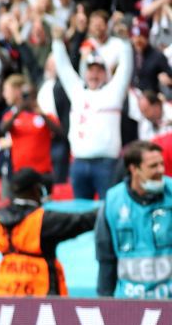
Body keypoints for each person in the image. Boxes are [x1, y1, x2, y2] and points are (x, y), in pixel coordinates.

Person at [52, 23, 134, 201]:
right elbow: (64, 69)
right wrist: (57, 42)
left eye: (99, 70)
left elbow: (125, 69)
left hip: (106, 164)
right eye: (91, 70)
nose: (94, 75)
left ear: (105, 74)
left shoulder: (114, 92)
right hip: (79, 163)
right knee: (81, 212)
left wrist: (126, 43)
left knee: (108, 208)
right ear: (84, 73)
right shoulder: (77, 92)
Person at [0, 168, 97, 297]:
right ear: (36, 189)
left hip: (4, 288)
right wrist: (111, 207)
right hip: (40, 290)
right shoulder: (42, 220)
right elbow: (82, 221)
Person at [96, 140, 172, 298]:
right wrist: (104, 300)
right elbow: (106, 258)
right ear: (134, 169)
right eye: (153, 166)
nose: (161, 170)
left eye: (161, 164)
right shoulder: (113, 201)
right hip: (130, 305)